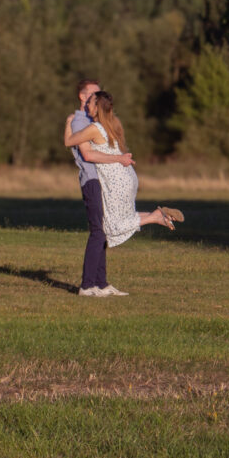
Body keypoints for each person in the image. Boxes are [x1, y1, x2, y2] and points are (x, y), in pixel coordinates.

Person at [65, 89, 183, 295]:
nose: (87, 107)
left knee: (111, 226)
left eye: (91, 103)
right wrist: (119, 159)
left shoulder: (93, 128)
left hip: (115, 180)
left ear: (97, 108)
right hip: (128, 176)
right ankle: (157, 216)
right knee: (119, 219)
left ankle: (154, 217)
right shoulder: (114, 125)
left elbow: (70, 142)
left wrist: (68, 123)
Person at [68, 79, 135, 297]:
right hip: (93, 180)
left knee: (103, 231)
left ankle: (101, 283)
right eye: (94, 96)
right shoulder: (79, 121)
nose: (97, 99)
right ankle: (87, 285)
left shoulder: (95, 121)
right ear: (83, 97)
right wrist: (118, 159)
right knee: (98, 231)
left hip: (105, 180)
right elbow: (85, 152)